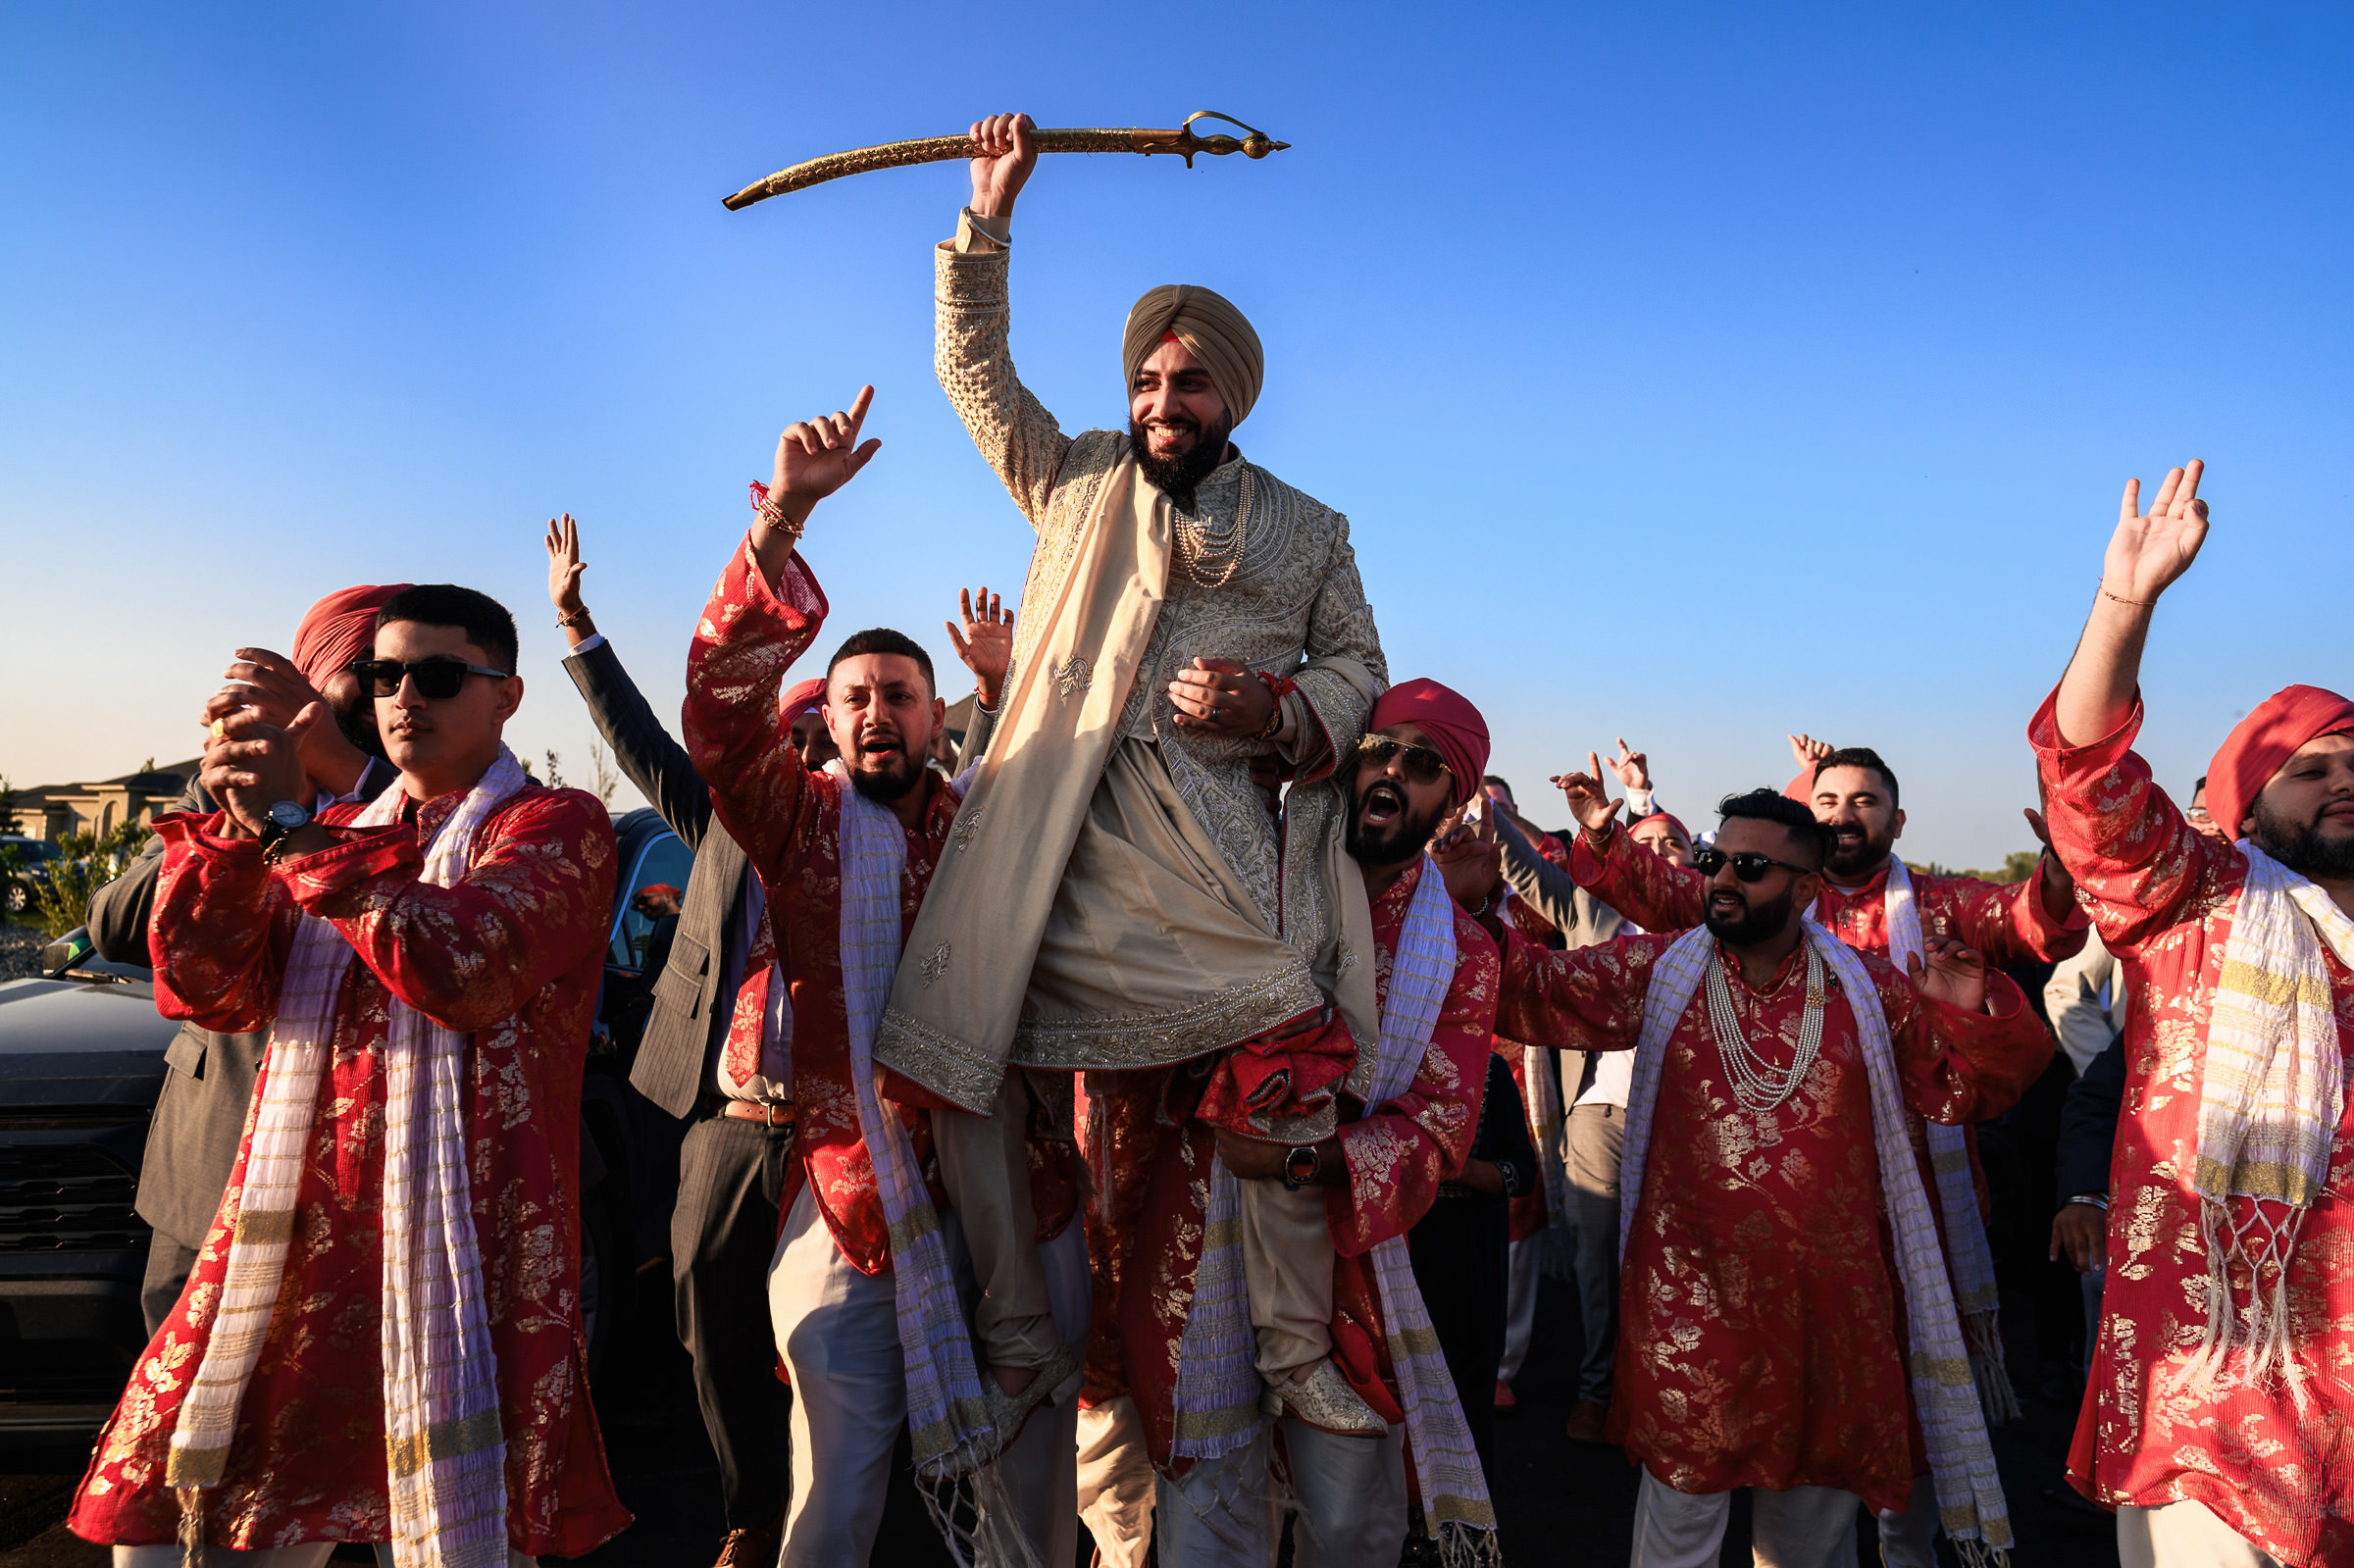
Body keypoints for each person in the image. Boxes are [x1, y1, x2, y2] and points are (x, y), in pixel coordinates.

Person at [879, 109, 1392, 1440]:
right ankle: (1015, 1341)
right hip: (1041, 833)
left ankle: (1288, 1347)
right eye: (1150, 384)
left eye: (1192, 386)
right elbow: (974, 374)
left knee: (1290, 1046)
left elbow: (1360, 674)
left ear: (1233, 396)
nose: (1166, 405)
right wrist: (989, 218)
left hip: (1201, 855)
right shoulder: (1073, 476)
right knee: (959, 1062)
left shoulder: (1312, 530)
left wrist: (1272, 710)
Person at [71, 583, 630, 1564]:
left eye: (441, 675)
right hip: (290, 1257)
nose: (406, 695)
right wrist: (237, 826)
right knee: (178, 1532)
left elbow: (464, 964)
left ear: (507, 696)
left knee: (456, 1534)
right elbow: (204, 985)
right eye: (385, 676)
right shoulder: (324, 831)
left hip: (464, 1256)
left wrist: (293, 826)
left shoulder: (552, 824)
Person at [679, 389, 1085, 1567]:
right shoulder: (796, 827)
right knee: (836, 1498)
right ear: (832, 722)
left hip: (1024, 1190)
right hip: (854, 1193)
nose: (873, 714)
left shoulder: (993, 827)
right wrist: (781, 525)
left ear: (934, 712)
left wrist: (1011, 688)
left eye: (899, 694)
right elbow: (716, 718)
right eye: (853, 697)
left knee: (1033, 1494)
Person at [1442, 787, 2049, 1568]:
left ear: (1805, 889)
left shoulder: (1869, 991)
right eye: (1713, 860)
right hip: (1694, 1321)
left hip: (1827, 1326)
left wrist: (1971, 1011)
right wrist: (1471, 905)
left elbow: (1974, 1089)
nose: (1721, 878)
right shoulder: (1659, 969)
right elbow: (1532, 991)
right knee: (1675, 1549)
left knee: (1803, 1553)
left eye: (1749, 866)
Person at [2031, 459, 2354, 1567]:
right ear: (2246, 813)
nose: (2345, 780)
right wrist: (2127, 605)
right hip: (2212, 1382)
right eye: (2311, 771)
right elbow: (2084, 780)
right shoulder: (2199, 904)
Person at [1129, 679, 1504, 1566]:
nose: (1391, 771)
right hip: (1199, 1220)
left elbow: (1438, 1127)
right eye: (1379, 748)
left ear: (1454, 801)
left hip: (1347, 1262)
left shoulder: (1464, 951)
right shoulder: (1250, 875)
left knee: (1350, 1531)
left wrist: (1301, 1163)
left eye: (1422, 765)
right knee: (1204, 1516)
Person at [547, 511, 798, 1568]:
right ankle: (753, 1508)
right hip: (727, 1122)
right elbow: (643, 743)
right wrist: (577, 626)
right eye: (802, 730)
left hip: (853, 1131)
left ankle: (860, 1501)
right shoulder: (723, 824)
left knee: (844, 1339)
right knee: (712, 1326)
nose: (814, 749)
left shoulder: (897, 843)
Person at [88, 584, 408, 1336]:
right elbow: (118, 926)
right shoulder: (233, 777)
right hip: (211, 1168)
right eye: (373, 669)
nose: (392, 693)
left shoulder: (434, 796)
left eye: (406, 674)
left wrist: (328, 790)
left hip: (371, 1183)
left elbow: (443, 890)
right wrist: (230, 808)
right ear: (318, 671)